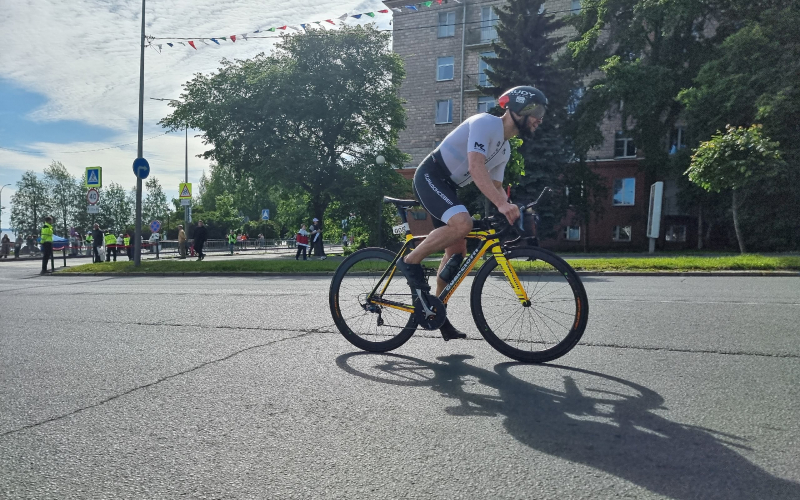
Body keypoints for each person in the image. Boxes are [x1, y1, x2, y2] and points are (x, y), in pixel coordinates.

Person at [397, 86, 547, 341]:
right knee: (463, 223)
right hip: (430, 175)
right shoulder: (485, 123)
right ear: (520, 108)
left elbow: (497, 187)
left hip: (449, 187)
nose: (540, 119)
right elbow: (476, 167)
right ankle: (410, 261)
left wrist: (510, 210)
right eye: (538, 112)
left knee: (457, 252)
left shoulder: (505, 149)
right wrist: (502, 205)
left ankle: (436, 312)